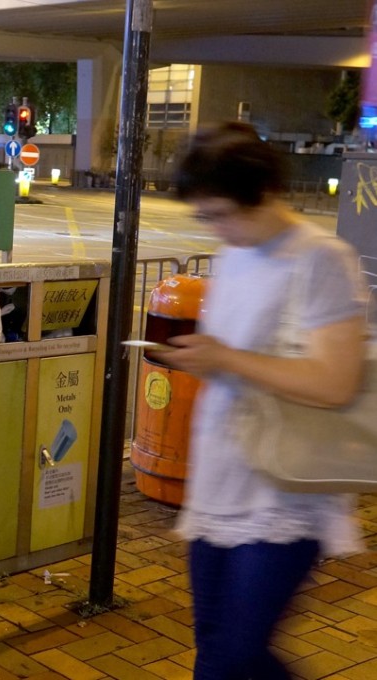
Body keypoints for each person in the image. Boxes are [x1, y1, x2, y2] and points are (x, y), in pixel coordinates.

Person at [160, 121, 367, 679]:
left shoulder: (321, 258)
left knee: (235, 655)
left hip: (285, 492)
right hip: (222, 475)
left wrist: (224, 359)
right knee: (217, 647)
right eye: (205, 216)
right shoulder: (233, 255)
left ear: (265, 193)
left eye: (222, 212)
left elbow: (335, 381)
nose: (216, 228)